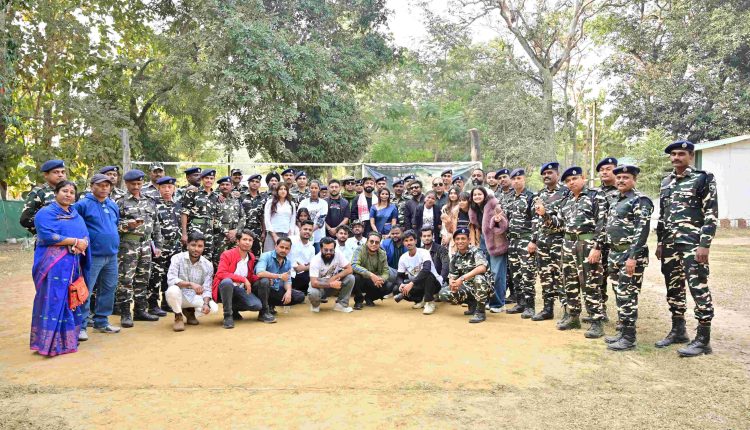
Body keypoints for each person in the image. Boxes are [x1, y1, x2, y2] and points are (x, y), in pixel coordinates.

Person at [655, 140, 718, 357]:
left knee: (698, 286)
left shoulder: (703, 178)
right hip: (670, 244)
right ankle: (678, 330)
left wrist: (704, 244)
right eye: (673, 154)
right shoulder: (666, 182)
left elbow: (711, 213)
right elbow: (663, 215)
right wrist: (660, 242)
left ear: (690, 156)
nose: (676, 158)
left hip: (692, 244)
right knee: (673, 287)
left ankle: (703, 339)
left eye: (681, 154)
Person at [540, 167, 606, 338]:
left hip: (587, 244)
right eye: (568, 181)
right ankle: (573, 316)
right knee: (569, 283)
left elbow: (602, 223)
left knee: (590, 283)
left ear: (583, 178)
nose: (571, 183)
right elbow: (559, 224)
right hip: (568, 244)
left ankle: (596, 322)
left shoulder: (595, 196)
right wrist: (545, 215)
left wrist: (597, 247)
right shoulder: (567, 200)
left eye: (574, 179)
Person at [30, 180, 90, 356]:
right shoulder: (45, 213)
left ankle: (68, 340)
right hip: (53, 265)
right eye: (65, 191)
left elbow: (85, 234)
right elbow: (47, 235)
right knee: (54, 299)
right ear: (56, 193)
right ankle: (49, 344)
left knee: (70, 299)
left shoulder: (75, 214)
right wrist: (74, 241)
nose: (68, 195)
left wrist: (82, 244)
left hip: (72, 264)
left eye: (72, 192)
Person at [598, 165, 653, 351]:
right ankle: (623, 332)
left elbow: (641, 231)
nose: (621, 180)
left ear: (634, 180)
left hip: (630, 256)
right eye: (619, 177)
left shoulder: (640, 200)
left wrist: (632, 257)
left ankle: (629, 338)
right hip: (615, 254)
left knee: (627, 295)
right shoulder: (616, 199)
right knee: (619, 294)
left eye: (626, 177)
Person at [73, 174, 122, 338]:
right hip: (92, 255)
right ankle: (81, 326)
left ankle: (101, 322)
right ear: (92, 186)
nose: (104, 188)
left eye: (107, 185)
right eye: (100, 185)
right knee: (86, 290)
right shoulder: (82, 205)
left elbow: (115, 225)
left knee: (109, 288)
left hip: (112, 255)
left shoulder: (112, 205)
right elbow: (75, 226)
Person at [115, 169, 163, 328]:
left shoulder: (149, 201)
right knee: (126, 280)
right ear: (126, 184)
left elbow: (156, 225)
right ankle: (125, 313)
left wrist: (158, 245)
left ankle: (140, 310)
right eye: (132, 184)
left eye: (138, 183)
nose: (136, 186)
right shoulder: (120, 202)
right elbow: (114, 225)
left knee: (143, 278)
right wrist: (127, 225)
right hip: (128, 245)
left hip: (146, 245)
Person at [528, 162, 568, 321]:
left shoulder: (566, 193)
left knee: (561, 276)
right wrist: (533, 240)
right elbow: (535, 220)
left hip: (559, 239)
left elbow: (563, 220)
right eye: (544, 173)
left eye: (550, 173)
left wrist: (545, 215)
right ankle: (547, 309)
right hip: (542, 241)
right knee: (545, 275)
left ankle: (568, 311)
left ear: (557, 174)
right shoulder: (539, 195)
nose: (546, 176)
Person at [165, 232, 218, 331]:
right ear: (187, 245)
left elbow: (207, 288)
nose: (196, 249)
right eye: (193, 245)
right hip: (180, 296)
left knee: (214, 308)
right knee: (172, 290)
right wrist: (190, 284)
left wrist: (206, 304)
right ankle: (178, 316)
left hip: (195, 296)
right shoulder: (177, 258)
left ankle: (190, 312)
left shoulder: (208, 265)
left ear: (203, 248)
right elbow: (171, 279)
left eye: (200, 246)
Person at [214, 229, 266, 329]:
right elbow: (220, 273)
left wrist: (262, 277)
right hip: (225, 289)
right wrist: (243, 279)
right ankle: (227, 316)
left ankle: (233, 309)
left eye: (250, 240)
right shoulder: (227, 254)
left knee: (256, 305)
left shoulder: (251, 257)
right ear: (238, 241)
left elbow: (250, 276)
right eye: (244, 239)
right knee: (227, 282)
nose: (247, 242)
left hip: (240, 289)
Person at [438, 228, 492, 323]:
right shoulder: (455, 257)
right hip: (467, 287)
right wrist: (453, 284)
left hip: (484, 286)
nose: (460, 241)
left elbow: (482, 268)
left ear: (468, 240)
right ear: (454, 241)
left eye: (463, 238)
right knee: (443, 293)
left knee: (478, 279)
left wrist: (462, 278)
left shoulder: (476, 251)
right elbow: (452, 276)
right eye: (457, 239)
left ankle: (480, 312)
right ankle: (472, 303)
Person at [469, 186, 509, 313]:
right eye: (475, 195)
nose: (477, 197)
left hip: (497, 243)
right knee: (485, 272)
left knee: (497, 274)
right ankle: (488, 300)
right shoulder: (474, 208)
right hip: (483, 241)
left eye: (479, 194)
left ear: (485, 195)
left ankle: (498, 304)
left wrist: (497, 220)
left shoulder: (494, 205)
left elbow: (504, 225)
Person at [589, 156, 619, 323]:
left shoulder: (623, 191)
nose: (605, 172)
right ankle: (600, 311)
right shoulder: (593, 193)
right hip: (596, 244)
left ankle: (623, 318)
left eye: (608, 169)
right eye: (601, 170)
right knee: (597, 278)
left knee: (617, 281)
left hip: (614, 244)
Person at [504, 169, 537, 318]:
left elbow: (536, 220)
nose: (516, 181)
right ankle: (520, 303)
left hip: (526, 240)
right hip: (512, 241)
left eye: (519, 178)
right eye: (514, 179)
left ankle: (530, 306)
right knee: (515, 274)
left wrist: (533, 240)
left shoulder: (531, 197)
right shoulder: (510, 198)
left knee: (527, 274)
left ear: (524, 179)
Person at [148, 176, 183, 316]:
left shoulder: (178, 205)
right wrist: (155, 246)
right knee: (156, 276)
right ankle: (152, 305)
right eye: (163, 187)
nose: (167, 190)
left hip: (175, 247)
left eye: (170, 187)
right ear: (159, 189)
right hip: (159, 248)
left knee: (170, 276)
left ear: (174, 188)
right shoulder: (153, 205)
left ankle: (167, 302)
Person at [255, 237, 306, 318]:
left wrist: (288, 292)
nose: (284, 250)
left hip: (274, 289)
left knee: (299, 296)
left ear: (289, 250)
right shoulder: (266, 256)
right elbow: (259, 273)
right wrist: (279, 276)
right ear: (276, 246)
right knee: (265, 281)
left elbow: (287, 280)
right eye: (281, 247)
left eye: (287, 248)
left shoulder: (288, 262)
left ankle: (270, 304)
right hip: (258, 288)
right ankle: (263, 313)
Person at [393, 230, 442, 314]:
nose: (409, 243)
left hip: (434, 283)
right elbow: (399, 276)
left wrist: (411, 284)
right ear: (403, 243)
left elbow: (426, 270)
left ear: (415, 241)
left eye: (411, 240)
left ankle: (429, 302)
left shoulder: (424, 252)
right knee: (396, 289)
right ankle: (421, 300)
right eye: (406, 241)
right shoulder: (403, 258)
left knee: (427, 275)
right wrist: (401, 284)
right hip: (419, 284)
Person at [308, 237, 355, 313]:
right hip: (320, 286)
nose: (328, 252)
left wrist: (335, 277)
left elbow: (349, 269)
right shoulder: (315, 260)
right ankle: (315, 305)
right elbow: (314, 283)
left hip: (334, 283)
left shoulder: (338, 254)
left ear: (334, 249)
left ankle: (341, 305)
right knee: (313, 292)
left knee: (350, 278)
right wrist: (330, 284)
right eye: (326, 250)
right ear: (321, 249)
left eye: (331, 250)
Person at [21, 159, 67, 236]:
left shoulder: (70, 192)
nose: (60, 175)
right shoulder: (39, 192)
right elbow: (25, 220)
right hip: (48, 239)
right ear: (46, 175)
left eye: (63, 172)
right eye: (56, 172)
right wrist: (46, 232)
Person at [180, 169, 219, 259]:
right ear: (202, 179)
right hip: (195, 229)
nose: (209, 180)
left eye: (211, 178)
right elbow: (184, 212)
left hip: (209, 232)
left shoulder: (215, 196)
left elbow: (214, 215)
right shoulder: (193, 192)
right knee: (191, 257)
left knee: (207, 258)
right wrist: (184, 233)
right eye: (206, 178)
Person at [351, 231, 392, 309]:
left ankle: (369, 298)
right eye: (371, 241)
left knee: (389, 286)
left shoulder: (382, 253)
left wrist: (381, 279)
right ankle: (358, 300)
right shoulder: (359, 250)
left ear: (379, 244)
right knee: (355, 277)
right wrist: (371, 275)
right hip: (362, 279)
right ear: (367, 242)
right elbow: (354, 265)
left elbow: (386, 271)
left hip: (374, 281)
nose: (374, 244)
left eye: (377, 242)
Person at [213, 176, 245, 267]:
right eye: (222, 185)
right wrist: (226, 232)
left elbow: (243, 216)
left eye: (227, 184)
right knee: (219, 261)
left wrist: (236, 231)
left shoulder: (236, 200)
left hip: (235, 236)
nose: (225, 186)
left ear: (231, 186)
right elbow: (213, 218)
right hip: (221, 236)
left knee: (235, 261)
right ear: (219, 187)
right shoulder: (215, 200)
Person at [263, 183, 296, 251]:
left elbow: (292, 220)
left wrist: (290, 235)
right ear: (277, 191)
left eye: (285, 189)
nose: (283, 191)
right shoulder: (270, 203)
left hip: (286, 234)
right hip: (272, 233)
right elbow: (267, 220)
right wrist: (274, 236)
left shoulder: (291, 204)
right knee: (269, 254)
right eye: (281, 189)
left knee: (284, 254)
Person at [241, 173, 267, 257]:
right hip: (243, 228)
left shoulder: (263, 199)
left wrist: (263, 232)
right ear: (248, 183)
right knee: (242, 252)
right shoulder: (241, 196)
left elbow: (263, 216)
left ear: (260, 184)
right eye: (252, 181)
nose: (254, 183)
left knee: (256, 254)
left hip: (257, 230)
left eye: (257, 182)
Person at [299, 180, 328, 252]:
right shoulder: (303, 202)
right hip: (304, 235)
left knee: (319, 255)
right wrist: (304, 231)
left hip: (319, 235)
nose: (314, 190)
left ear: (319, 189)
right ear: (309, 188)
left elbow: (321, 221)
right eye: (312, 188)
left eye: (316, 188)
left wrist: (310, 230)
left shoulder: (324, 203)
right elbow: (298, 218)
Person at [289, 221, 316, 294]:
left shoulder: (312, 248)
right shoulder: (291, 240)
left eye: (310, 230)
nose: (307, 231)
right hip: (287, 273)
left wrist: (303, 268)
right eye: (305, 229)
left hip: (302, 276)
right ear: (300, 229)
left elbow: (313, 265)